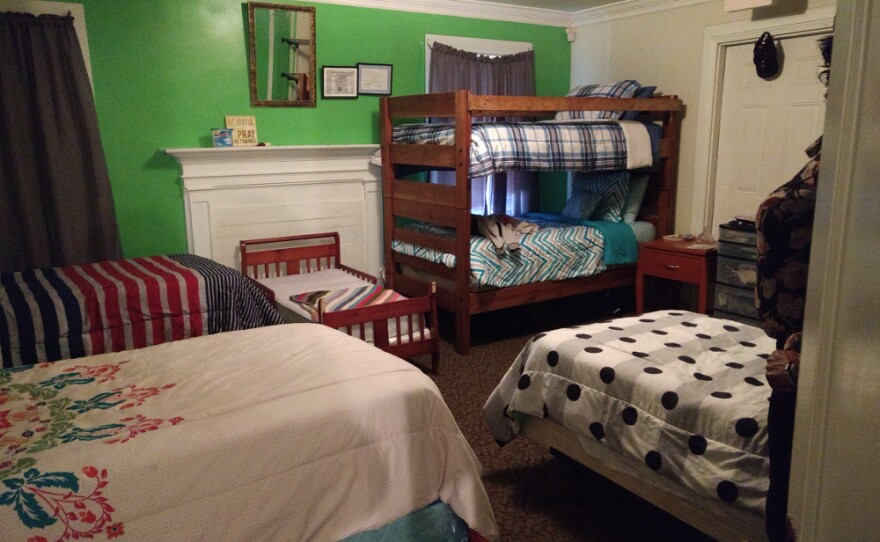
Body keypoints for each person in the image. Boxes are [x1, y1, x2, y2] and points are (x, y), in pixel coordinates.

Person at [755, 34, 832, 542]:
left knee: (790, 498)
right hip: (797, 344)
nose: (829, 89)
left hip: (811, 349)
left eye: (830, 77)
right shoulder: (839, 150)